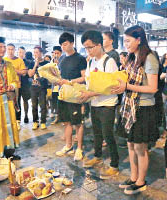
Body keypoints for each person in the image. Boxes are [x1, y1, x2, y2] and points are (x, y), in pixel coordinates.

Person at [111, 25, 159, 195]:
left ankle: (141, 181)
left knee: (140, 148)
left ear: (139, 40)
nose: (126, 44)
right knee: (130, 144)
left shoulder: (150, 58)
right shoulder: (132, 57)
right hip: (129, 107)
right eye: (124, 41)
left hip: (143, 109)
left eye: (128, 41)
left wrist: (127, 86)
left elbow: (153, 88)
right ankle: (133, 177)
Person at [79, 30, 119, 179]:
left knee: (108, 135)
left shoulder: (109, 62)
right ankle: (97, 156)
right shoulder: (91, 61)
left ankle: (115, 165)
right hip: (94, 103)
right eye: (85, 48)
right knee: (97, 134)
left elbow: (110, 87)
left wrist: (90, 94)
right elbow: (89, 82)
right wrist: (82, 92)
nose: (88, 51)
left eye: (90, 47)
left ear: (99, 44)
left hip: (107, 104)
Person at [55, 32, 87, 161]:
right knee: (66, 122)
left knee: (78, 123)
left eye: (65, 44)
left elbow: (85, 77)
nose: (63, 47)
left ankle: (79, 148)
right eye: (61, 45)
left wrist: (70, 81)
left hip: (75, 95)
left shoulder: (80, 58)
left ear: (72, 43)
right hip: (63, 94)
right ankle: (68, 146)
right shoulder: (62, 58)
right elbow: (59, 75)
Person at [4, 44, 27, 130]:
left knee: (16, 104)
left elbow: (24, 72)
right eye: (9, 49)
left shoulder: (19, 60)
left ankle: (17, 121)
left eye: (12, 49)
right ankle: (8, 121)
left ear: (15, 50)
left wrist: (14, 70)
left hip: (17, 86)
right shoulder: (3, 60)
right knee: (6, 105)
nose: (10, 51)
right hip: (5, 87)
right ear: (6, 50)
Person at [28, 46, 49, 130]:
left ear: (41, 53)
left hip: (42, 87)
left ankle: (43, 122)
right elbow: (30, 74)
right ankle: (35, 122)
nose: (35, 54)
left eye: (37, 52)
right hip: (33, 87)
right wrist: (35, 65)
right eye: (34, 52)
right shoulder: (31, 63)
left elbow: (49, 75)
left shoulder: (46, 63)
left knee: (43, 105)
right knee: (34, 105)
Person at [50, 46, 62, 125]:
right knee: (55, 101)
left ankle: (62, 118)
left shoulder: (63, 61)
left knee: (61, 102)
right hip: (54, 85)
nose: (56, 55)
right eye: (55, 53)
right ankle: (57, 117)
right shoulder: (52, 62)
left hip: (61, 85)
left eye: (57, 53)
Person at [21, 51, 34, 123]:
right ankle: (34, 117)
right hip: (31, 82)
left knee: (25, 101)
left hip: (24, 83)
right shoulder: (33, 62)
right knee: (34, 101)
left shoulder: (23, 61)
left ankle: (26, 115)